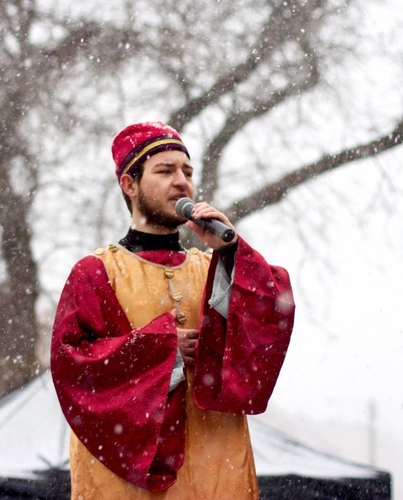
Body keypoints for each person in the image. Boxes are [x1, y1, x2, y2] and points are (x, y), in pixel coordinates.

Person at [50, 121, 295, 498]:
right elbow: (73, 366)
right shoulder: (96, 273)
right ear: (129, 185)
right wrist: (162, 350)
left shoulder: (214, 267)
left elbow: (268, 322)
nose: (182, 181)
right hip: (128, 478)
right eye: (165, 171)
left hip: (217, 467)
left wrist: (231, 253)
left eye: (188, 172)